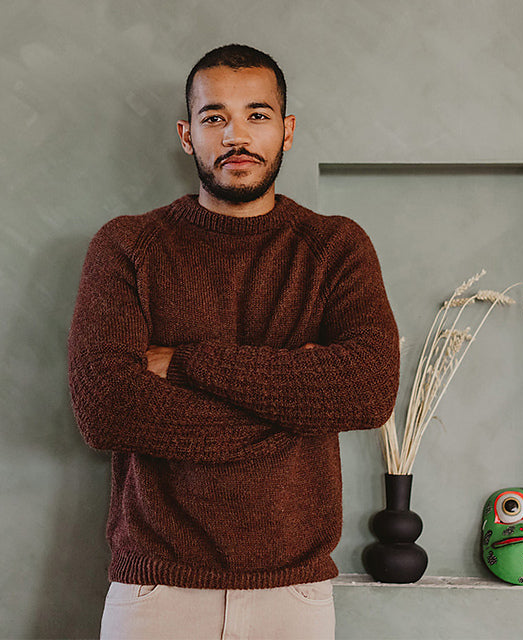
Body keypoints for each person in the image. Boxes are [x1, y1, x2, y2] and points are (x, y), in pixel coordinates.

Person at [68, 43, 400, 640]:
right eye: (214, 116)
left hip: (293, 595)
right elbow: (106, 409)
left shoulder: (335, 247)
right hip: (154, 591)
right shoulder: (127, 245)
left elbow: (368, 392)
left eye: (257, 114)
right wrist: (294, 403)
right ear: (187, 135)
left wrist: (187, 364)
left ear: (287, 130)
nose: (236, 135)